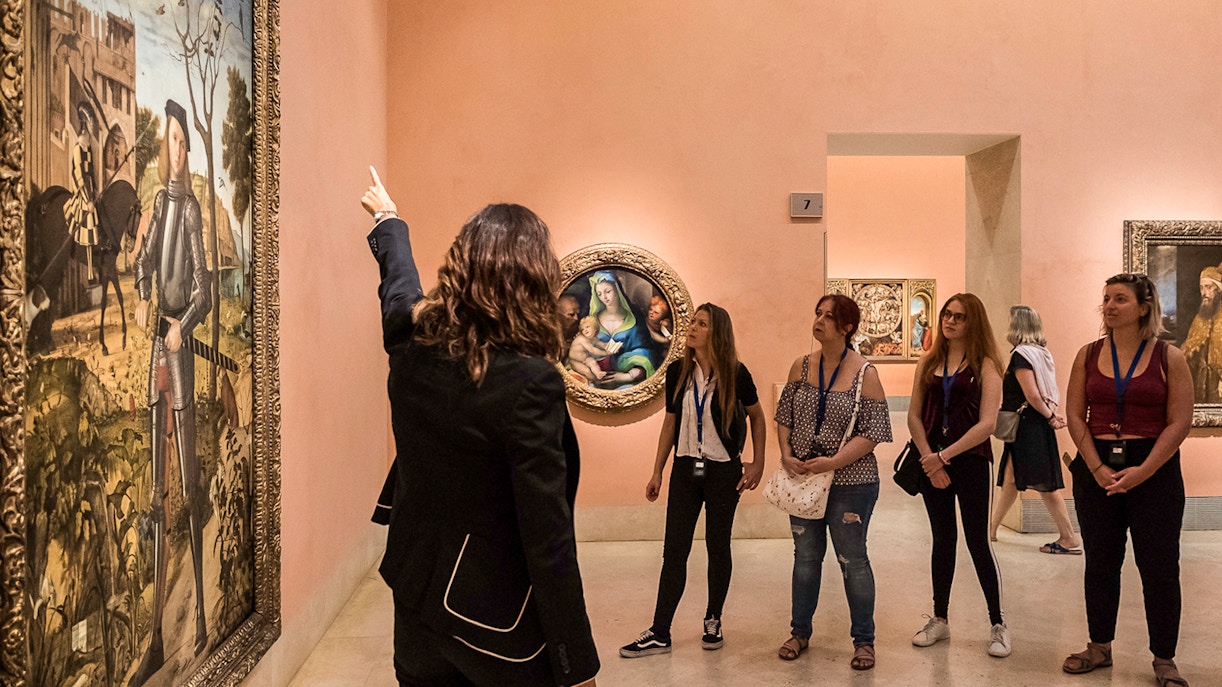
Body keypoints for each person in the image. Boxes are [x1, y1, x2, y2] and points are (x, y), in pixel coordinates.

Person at [362, 168, 599, 687]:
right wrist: (576, 664)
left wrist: (389, 220)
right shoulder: (530, 383)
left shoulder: (412, 343)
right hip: (493, 625)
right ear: (534, 282)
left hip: (416, 604)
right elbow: (548, 539)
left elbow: (398, 288)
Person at [1062, 273, 1193, 687]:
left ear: (1143, 307)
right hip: (1097, 466)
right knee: (1100, 562)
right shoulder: (1087, 355)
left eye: (1120, 299)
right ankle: (1099, 646)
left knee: (1158, 566)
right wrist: (1097, 468)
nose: (1110, 306)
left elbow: (1180, 422)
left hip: (1153, 469)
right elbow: (1073, 416)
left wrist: (1144, 471)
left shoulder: (1169, 357)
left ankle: (1164, 658)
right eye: (1105, 299)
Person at [619, 304, 767, 657]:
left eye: (701, 324)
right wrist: (657, 469)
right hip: (686, 469)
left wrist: (757, 463)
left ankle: (713, 619)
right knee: (674, 550)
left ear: (716, 333)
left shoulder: (735, 373)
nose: (692, 328)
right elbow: (670, 423)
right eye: (693, 322)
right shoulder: (677, 373)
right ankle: (660, 631)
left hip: (723, 472)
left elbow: (758, 418)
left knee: (718, 547)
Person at [129, 99, 212, 686]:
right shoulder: (159, 204)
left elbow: (203, 288)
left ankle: (204, 615)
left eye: (182, 141)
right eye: (169, 140)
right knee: (156, 495)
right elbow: (141, 267)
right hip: (157, 349)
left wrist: (186, 323)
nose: (174, 149)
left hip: (179, 349)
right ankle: (156, 634)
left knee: (187, 487)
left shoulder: (192, 213)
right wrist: (139, 295)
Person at [774, 294, 891, 670]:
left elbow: (874, 431)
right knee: (805, 558)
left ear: (847, 328)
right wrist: (785, 452)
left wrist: (835, 461)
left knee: (852, 559)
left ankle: (864, 641)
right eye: (817, 314)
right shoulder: (801, 366)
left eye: (829, 316)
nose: (819, 321)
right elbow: (784, 416)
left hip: (851, 482)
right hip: (805, 478)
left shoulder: (864, 373)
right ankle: (799, 631)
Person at [907, 293, 1011, 658]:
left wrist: (943, 457)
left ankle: (997, 623)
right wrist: (928, 459)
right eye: (947, 315)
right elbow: (914, 416)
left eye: (959, 317)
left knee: (977, 542)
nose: (950, 321)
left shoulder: (986, 365)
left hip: (969, 462)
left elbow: (988, 424)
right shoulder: (928, 363)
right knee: (942, 539)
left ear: (973, 322)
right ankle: (940, 618)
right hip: (931, 461)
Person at [988, 305, 1080, 554]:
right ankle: (991, 529)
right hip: (1031, 424)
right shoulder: (1041, 353)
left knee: (1045, 484)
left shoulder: (1021, 356)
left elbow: (1032, 395)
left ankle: (1069, 537)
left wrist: (1050, 417)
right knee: (1010, 478)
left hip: (1029, 426)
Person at [589, 271, 661, 386]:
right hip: (595, 378)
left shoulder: (634, 319)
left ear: (617, 289)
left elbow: (646, 354)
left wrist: (627, 376)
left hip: (626, 380)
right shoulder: (592, 320)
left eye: (608, 291)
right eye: (599, 294)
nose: (604, 297)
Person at [65, 101, 99, 277]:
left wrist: (96, 192)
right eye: (90, 122)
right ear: (85, 124)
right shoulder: (78, 148)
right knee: (85, 228)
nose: (92, 127)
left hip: (91, 193)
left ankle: (93, 268)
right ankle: (88, 271)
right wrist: (87, 200)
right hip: (82, 195)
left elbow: (91, 174)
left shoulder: (89, 149)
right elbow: (79, 175)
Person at [1180, 264, 1222, 402]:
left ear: (1219, 290)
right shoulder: (1199, 319)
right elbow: (1188, 353)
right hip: (1201, 385)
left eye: (1208, 287)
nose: (1204, 293)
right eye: (1201, 288)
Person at [568, 315, 619, 382]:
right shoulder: (582, 339)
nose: (585, 330)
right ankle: (596, 382)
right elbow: (592, 350)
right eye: (583, 329)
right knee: (588, 372)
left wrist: (615, 346)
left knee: (592, 361)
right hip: (575, 361)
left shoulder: (593, 339)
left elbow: (603, 345)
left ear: (595, 328)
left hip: (585, 359)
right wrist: (606, 353)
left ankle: (598, 373)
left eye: (587, 327)